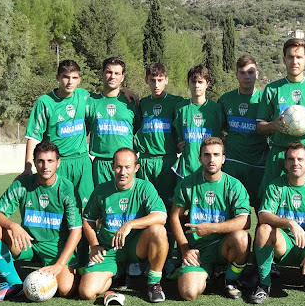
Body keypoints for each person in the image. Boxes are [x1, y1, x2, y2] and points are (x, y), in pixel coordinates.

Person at [0, 142, 82, 301]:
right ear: (34, 162)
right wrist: (13, 225)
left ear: (58, 162)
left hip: (56, 246)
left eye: (50, 161)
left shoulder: (67, 189)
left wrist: (60, 264)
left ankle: (70, 270)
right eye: (40, 161)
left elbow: (76, 231)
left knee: (65, 290)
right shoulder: (22, 184)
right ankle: (15, 284)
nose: (45, 166)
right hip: (27, 242)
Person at [250, 142, 305, 304]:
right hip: (284, 244)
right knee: (264, 229)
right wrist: (290, 223)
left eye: (300, 159)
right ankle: (264, 284)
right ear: (285, 163)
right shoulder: (276, 186)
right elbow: (263, 215)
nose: (295, 163)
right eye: (291, 159)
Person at [79, 148, 168, 303]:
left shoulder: (145, 187)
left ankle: (154, 283)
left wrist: (130, 224)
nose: (123, 172)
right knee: (86, 292)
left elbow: (161, 216)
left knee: (158, 230)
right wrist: (94, 245)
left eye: (127, 167)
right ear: (112, 167)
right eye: (119, 167)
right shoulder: (101, 190)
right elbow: (88, 219)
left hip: (136, 248)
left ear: (136, 168)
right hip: (109, 250)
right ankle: (117, 273)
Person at [170, 137, 251, 301]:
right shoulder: (188, 184)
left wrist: (212, 228)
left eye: (216, 155)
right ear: (200, 158)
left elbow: (245, 221)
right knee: (188, 292)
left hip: (224, 245)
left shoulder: (234, 185)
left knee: (242, 238)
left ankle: (230, 278)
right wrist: (185, 248)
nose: (211, 159)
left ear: (223, 158)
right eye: (207, 155)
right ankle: (208, 273)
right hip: (198, 250)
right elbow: (174, 217)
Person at [256, 38, 305, 197]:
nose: (295, 61)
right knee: (272, 203)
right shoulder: (272, 89)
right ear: (284, 59)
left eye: (299, 57)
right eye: (291, 57)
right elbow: (259, 127)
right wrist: (273, 125)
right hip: (280, 153)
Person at [22, 60, 94, 207]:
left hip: (82, 162)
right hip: (58, 163)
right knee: (58, 208)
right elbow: (33, 137)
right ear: (58, 78)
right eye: (66, 77)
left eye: (74, 77)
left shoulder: (84, 96)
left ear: (79, 80)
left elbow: (106, 98)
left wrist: (124, 91)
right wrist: (28, 167)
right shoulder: (45, 102)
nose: (70, 82)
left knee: (87, 210)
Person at [218, 55, 269, 211]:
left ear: (257, 74)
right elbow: (216, 129)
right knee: (230, 210)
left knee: (261, 210)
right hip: (233, 163)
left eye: (250, 72)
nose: (247, 76)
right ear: (237, 75)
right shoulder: (225, 100)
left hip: (258, 164)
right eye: (242, 72)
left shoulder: (265, 100)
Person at [134, 62, 186, 206]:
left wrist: (185, 140)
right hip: (145, 160)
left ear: (166, 80)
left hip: (167, 159)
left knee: (167, 204)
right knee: (145, 203)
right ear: (146, 80)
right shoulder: (142, 103)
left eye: (160, 80)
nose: (156, 84)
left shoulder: (177, 102)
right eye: (152, 80)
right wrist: (125, 90)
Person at [85, 57, 140, 186]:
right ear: (102, 73)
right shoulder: (90, 101)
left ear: (122, 77)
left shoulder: (131, 102)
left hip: (126, 164)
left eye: (117, 73)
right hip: (101, 164)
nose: (113, 76)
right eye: (109, 72)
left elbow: (139, 129)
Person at [173, 65, 225, 179]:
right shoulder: (181, 108)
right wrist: (178, 143)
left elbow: (224, 133)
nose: (196, 85)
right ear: (188, 83)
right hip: (187, 168)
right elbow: (174, 132)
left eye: (200, 82)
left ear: (207, 83)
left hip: (210, 167)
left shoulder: (216, 109)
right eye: (193, 82)